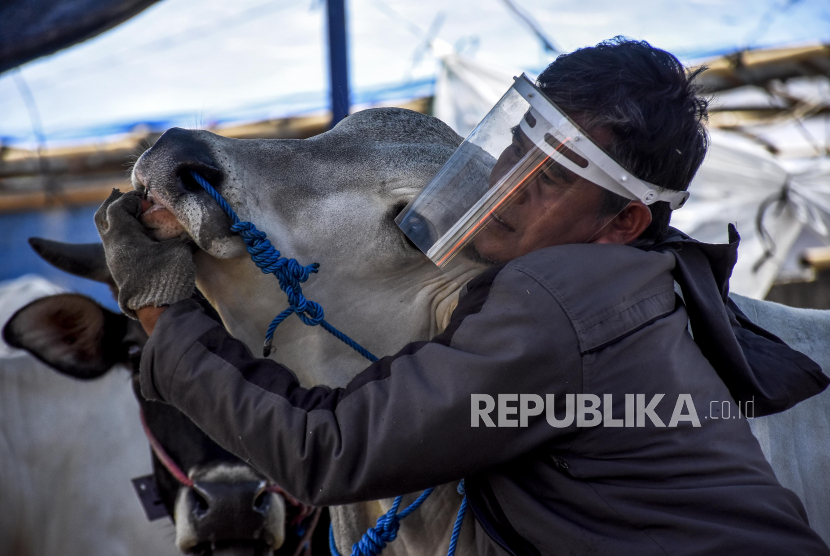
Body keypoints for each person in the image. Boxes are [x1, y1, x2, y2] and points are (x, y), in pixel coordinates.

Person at [95, 38, 830, 555]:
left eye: (552, 177)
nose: (505, 184)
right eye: (517, 144)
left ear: (624, 222)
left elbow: (328, 452)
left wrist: (164, 316)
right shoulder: (642, 280)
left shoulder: (557, 297)